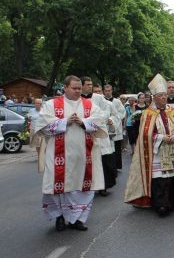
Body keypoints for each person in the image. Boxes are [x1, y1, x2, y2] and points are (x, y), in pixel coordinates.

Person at [33, 75, 107, 231]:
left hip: (84, 157)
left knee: (82, 188)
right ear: (65, 88)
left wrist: (83, 122)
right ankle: (59, 217)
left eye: (79, 88)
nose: (78, 91)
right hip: (58, 156)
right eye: (74, 88)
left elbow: (101, 122)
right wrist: (65, 121)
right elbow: (42, 125)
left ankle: (78, 219)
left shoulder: (89, 105)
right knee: (55, 186)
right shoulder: (52, 104)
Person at [124, 74, 174, 217]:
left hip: (173, 149)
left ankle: (173, 201)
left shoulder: (173, 112)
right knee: (160, 178)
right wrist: (162, 137)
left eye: (165, 95)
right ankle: (161, 205)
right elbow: (145, 134)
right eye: (161, 95)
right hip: (157, 151)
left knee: (173, 176)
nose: (164, 97)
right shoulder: (148, 113)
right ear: (154, 98)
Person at [81, 77, 116, 197]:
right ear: (81, 86)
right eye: (87, 84)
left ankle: (103, 187)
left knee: (103, 161)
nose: (90, 86)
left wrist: (98, 119)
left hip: (99, 131)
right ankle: (87, 185)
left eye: (91, 84)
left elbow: (107, 110)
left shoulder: (98, 98)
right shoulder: (77, 99)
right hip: (84, 132)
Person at [103, 84, 126, 170]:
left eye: (109, 91)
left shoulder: (117, 101)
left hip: (115, 127)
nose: (108, 92)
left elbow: (122, 112)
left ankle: (116, 166)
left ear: (112, 91)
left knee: (116, 148)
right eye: (106, 91)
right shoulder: (101, 101)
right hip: (105, 126)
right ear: (104, 91)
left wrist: (113, 120)